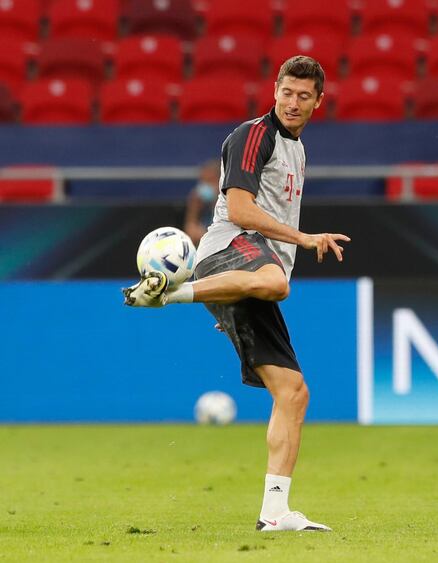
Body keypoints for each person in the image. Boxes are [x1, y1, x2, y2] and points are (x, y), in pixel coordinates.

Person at [122, 56, 350, 532]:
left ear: (318, 102)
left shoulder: (298, 150)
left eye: (303, 96)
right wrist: (304, 239)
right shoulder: (253, 135)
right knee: (276, 282)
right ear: (274, 89)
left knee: (293, 392)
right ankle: (170, 293)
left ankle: (275, 513)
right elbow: (241, 211)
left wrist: (224, 300)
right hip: (229, 250)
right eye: (287, 92)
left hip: (244, 274)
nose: (292, 102)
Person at [183, 159, 222, 246]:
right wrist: (193, 208)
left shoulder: (229, 206)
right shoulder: (200, 202)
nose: (204, 186)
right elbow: (191, 230)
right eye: (202, 181)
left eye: (209, 181)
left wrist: (205, 236)